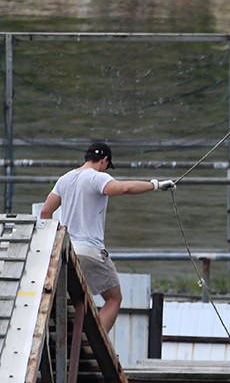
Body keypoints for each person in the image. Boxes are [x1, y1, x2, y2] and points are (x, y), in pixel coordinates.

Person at [39, 142, 175, 332]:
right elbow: (124, 188)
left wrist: (53, 243)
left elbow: (45, 211)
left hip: (65, 251)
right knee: (114, 298)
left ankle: (73, 341)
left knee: (76, 300)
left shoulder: (65, 179)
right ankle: (91, 344)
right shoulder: (96, 178)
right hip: (90, 251)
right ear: (104, 161)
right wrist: (155, 185)